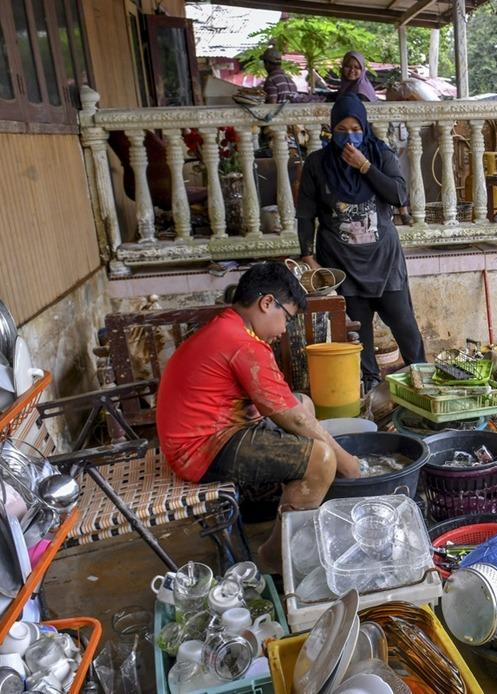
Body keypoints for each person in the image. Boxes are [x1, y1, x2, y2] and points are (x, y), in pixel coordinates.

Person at [155, 261, 362, 567]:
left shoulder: (228, 325)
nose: (283, 330)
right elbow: (293, 420)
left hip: (204, 435)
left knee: (302, 402)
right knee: (322, 460)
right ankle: (274, 560)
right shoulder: (243, 342)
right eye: (287, 319)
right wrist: (349, 464)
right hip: (200, 450)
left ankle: (294, 504)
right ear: (267, 303)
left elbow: (291, 407)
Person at [297, 94, 426, 391]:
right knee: (358, 330)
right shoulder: (318, 164)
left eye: (355, 127)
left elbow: (398, 195)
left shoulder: (381, 154)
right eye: (342, 128)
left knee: (404, 324)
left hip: (383, 260)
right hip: (342, 263)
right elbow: (305, 214)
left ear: (365, 127)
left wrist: (365, 166)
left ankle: (421, 379)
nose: (349, 134)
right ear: (332, 130)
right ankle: (370, 388)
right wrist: (308, 255)